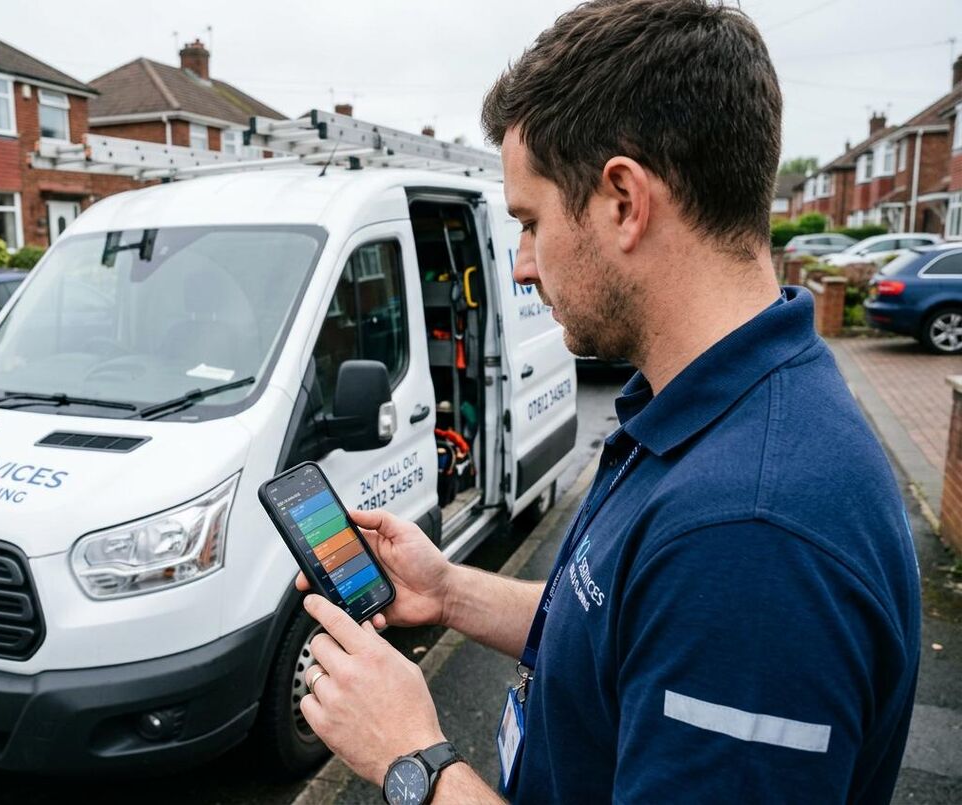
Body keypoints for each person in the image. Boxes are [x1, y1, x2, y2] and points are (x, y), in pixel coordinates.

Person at [294, 1, 921, 802]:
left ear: (623, 200)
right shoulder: (698, 405)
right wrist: (448, 591)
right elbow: (614, 635)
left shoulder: (747, 539)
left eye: (530, 221)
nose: (519, 266)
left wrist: (412, 758)